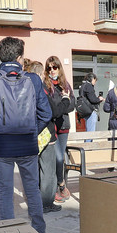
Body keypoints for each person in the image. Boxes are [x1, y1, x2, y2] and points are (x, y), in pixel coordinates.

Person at [0, 37, 52, 233]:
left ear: (1, 55)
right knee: (32, 189)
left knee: (4, 191)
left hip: (2, 146)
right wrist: (31, 132)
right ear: (20, 57)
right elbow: (45, 114)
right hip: (28, 145)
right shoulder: (34, 80)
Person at [25, 59, 61, 213]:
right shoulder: (41, 90)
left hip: (30, 135)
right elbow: (52, 112)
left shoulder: (24, 89)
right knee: (48, 171)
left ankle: (35, 201)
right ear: (39, 74)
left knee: (35, 171)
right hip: (46, 135)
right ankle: (46, 203)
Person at [43, 56, 75, 203]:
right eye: (49, 68)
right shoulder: (46, 85)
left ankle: (59, 185)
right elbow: (52, 107)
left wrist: (62, 104)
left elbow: (72, 104)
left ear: (59, 68)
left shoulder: (65, 84)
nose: (52, 70)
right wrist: (63, 101)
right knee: (57, 158)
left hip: (64, 126)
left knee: (60, 157)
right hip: (51, 128)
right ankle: (60, 186)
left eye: (54, 67)